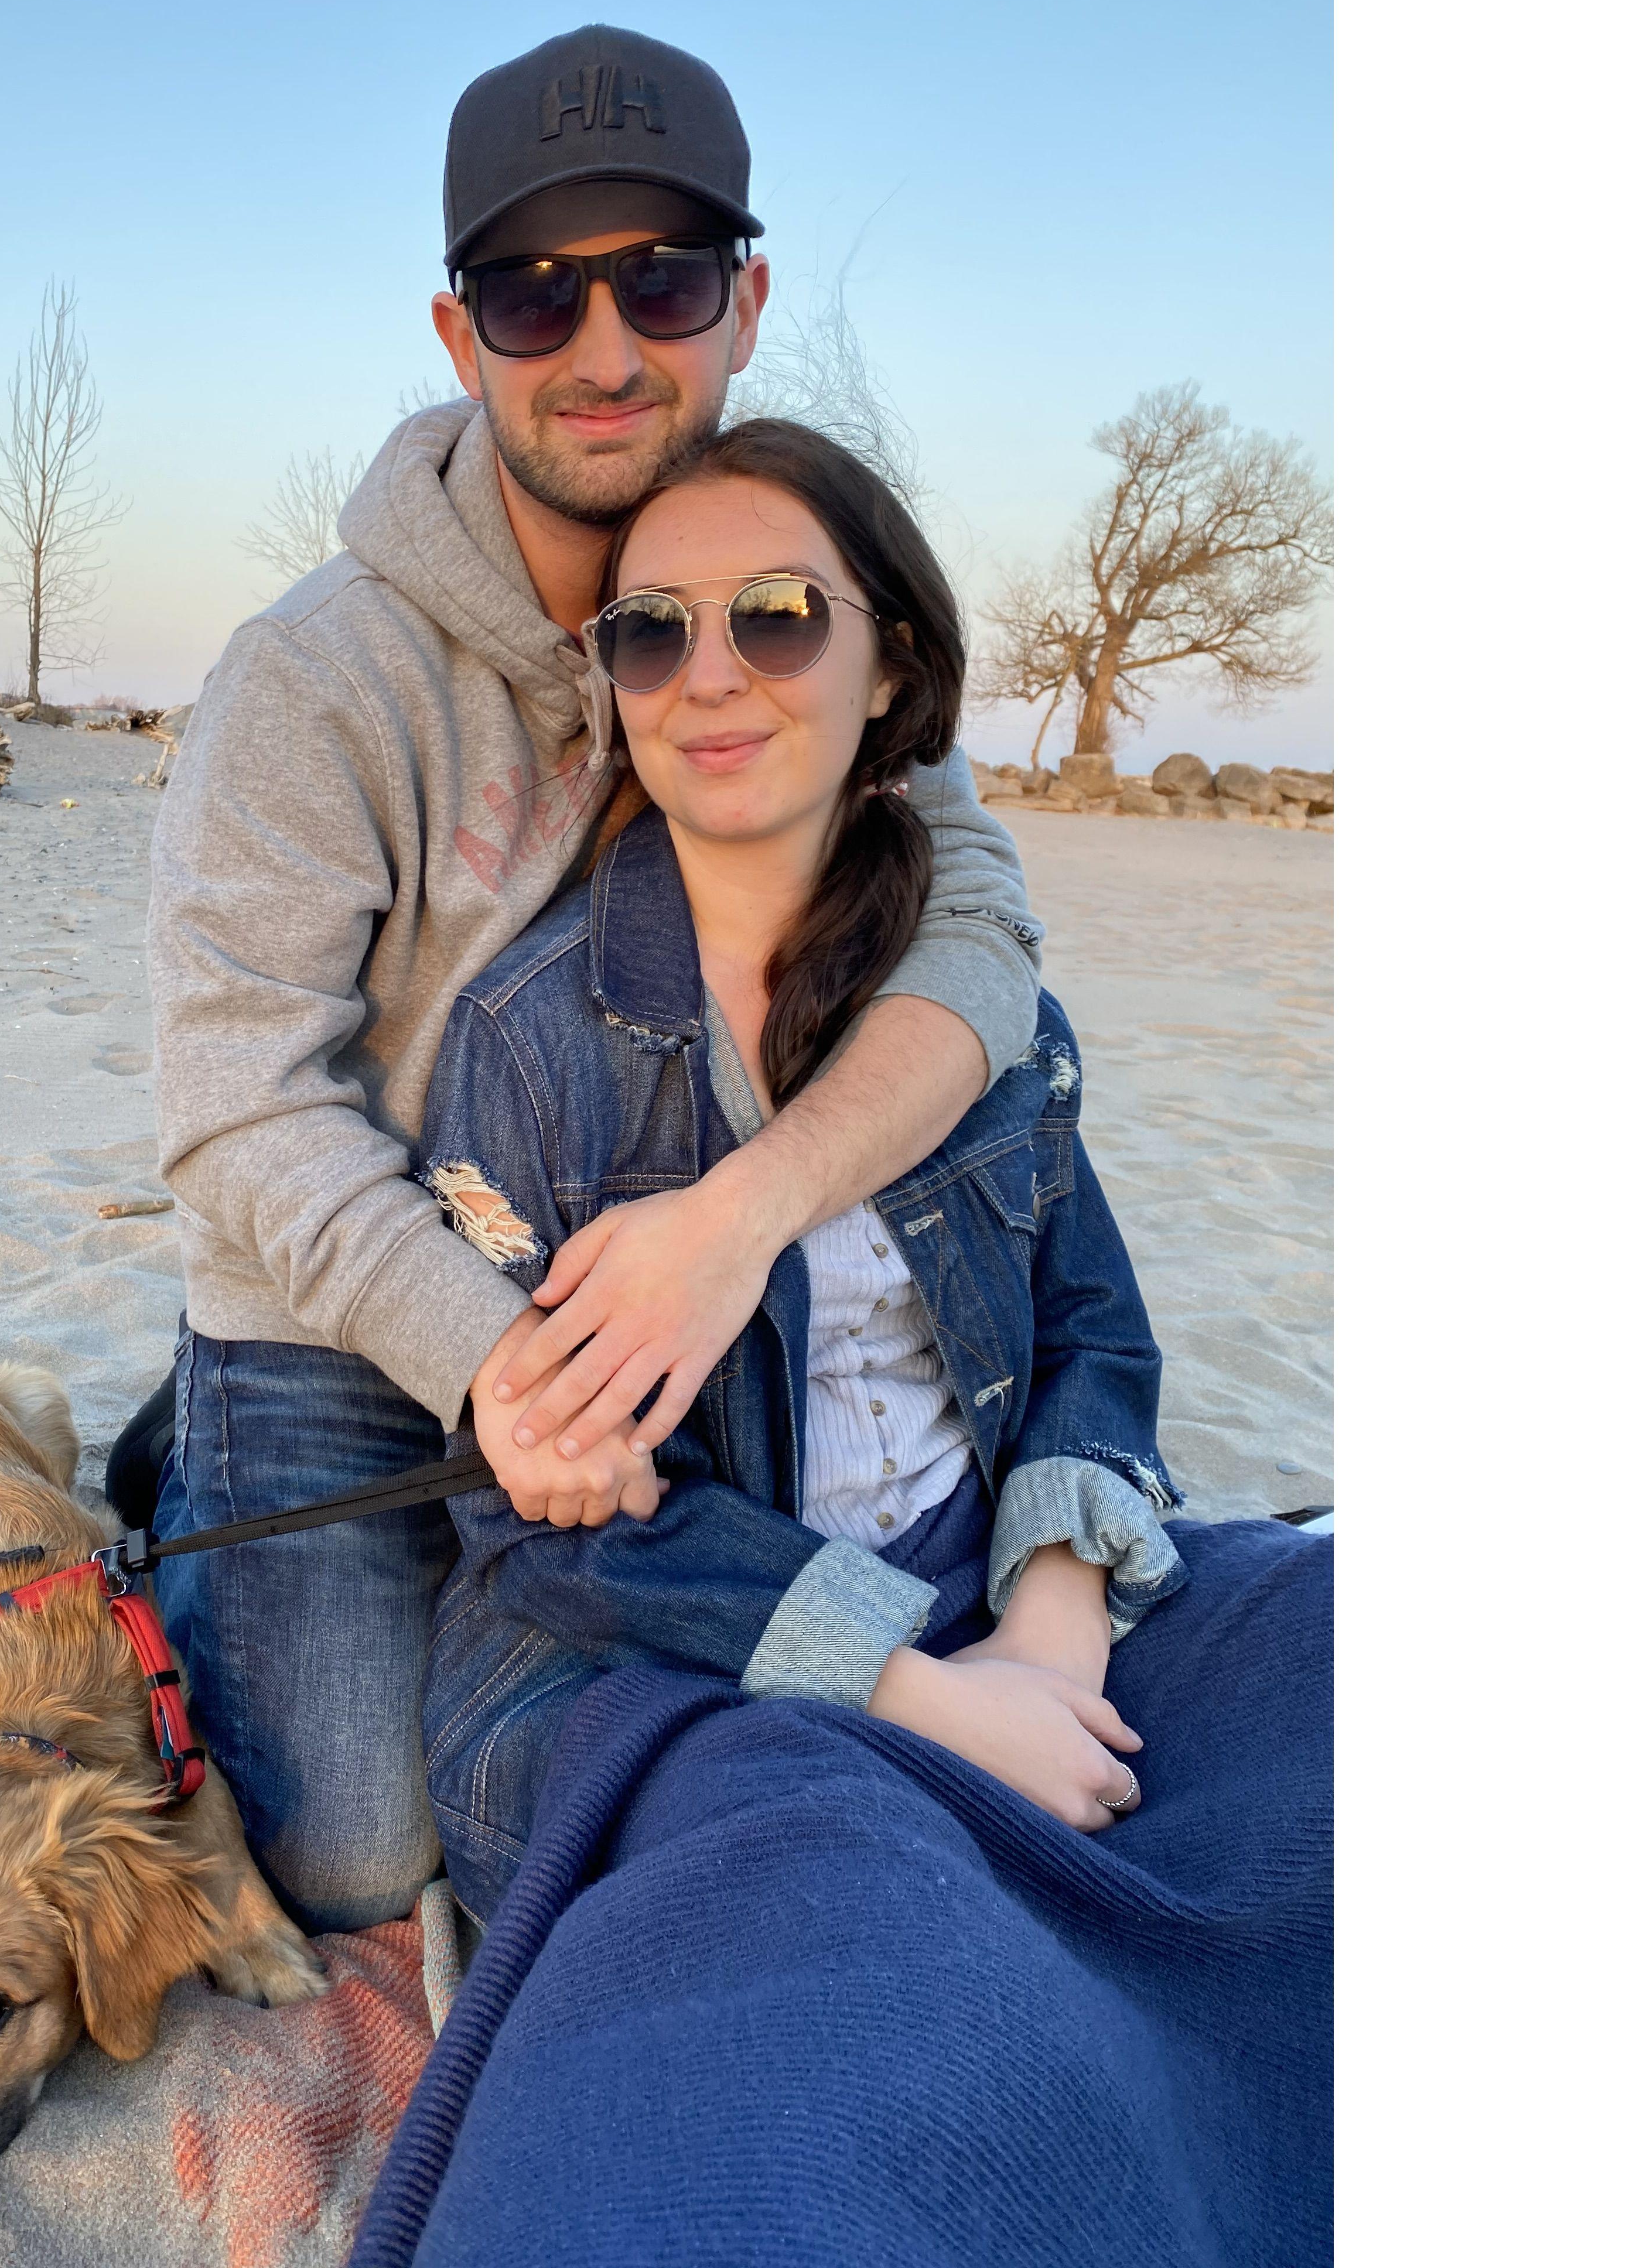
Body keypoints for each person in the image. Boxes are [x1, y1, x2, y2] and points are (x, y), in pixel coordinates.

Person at [357, 418, 1332, 2267]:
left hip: (990, 1578)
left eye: (779, 615)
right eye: (652, 630)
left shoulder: (973, 996)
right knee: (838, 1944)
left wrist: (1054, 1608)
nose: (710, 672)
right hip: (667, 1662)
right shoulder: (530, 1048)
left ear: (891, 664)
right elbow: (551, 1521)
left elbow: (1090, 1319)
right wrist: (923, 1693)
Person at [146, 27, 1047, 1932]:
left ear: (747, 305)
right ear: (460, 336)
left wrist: (741, 1219)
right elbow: (236, 1110)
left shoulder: (786, 594)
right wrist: (498, 1373)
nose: (606, 346)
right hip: (344, 1319)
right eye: (535, 294)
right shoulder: (315, 679)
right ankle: (191, 1466)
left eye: (664, 278)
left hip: (647, 1264)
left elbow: (979, 930)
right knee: (355, 1851)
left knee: (727, 1667)